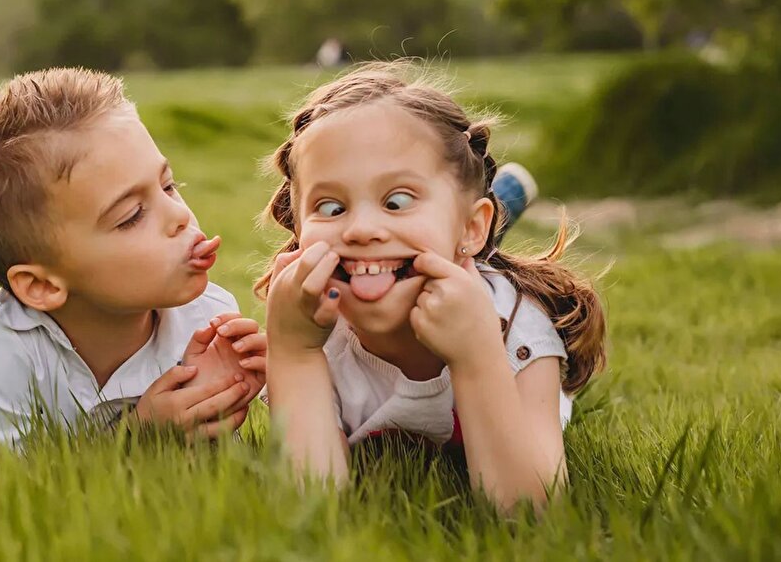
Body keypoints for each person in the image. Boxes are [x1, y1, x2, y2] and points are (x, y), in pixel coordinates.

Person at [258, 63, 607, 511]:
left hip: (470, 260)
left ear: (472, 224)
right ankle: (487, 206)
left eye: (396, 201)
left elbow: (530, 513)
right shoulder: (312, 328)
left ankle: (499, 204)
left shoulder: (517, 323)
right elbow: (311, 504)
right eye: (331, 207)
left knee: (460, 248)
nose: (362, 229)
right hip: (453, 239)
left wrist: (477, 355)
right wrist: (293, 353)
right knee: (440, 242)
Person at [0, 68, 266, 446]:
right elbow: (1, 487)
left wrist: (281, 367)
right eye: (131, 217)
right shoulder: (12, 364)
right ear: (42, 284)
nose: (179, 216)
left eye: (169, 186)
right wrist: (137, 437)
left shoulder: (210, 320)